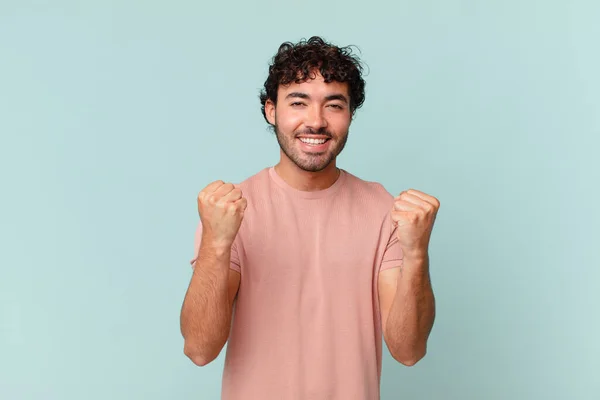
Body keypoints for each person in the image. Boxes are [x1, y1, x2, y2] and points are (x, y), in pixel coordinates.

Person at [180, 36, 440, 400]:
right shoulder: (232, 208)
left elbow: (408, 351)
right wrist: (215, 243)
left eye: (334, 105)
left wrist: (416, 253)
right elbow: (199, 349)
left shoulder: (383, 209)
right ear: (272, 110)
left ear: (350, 114)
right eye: (298, 103)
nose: (316, 122)